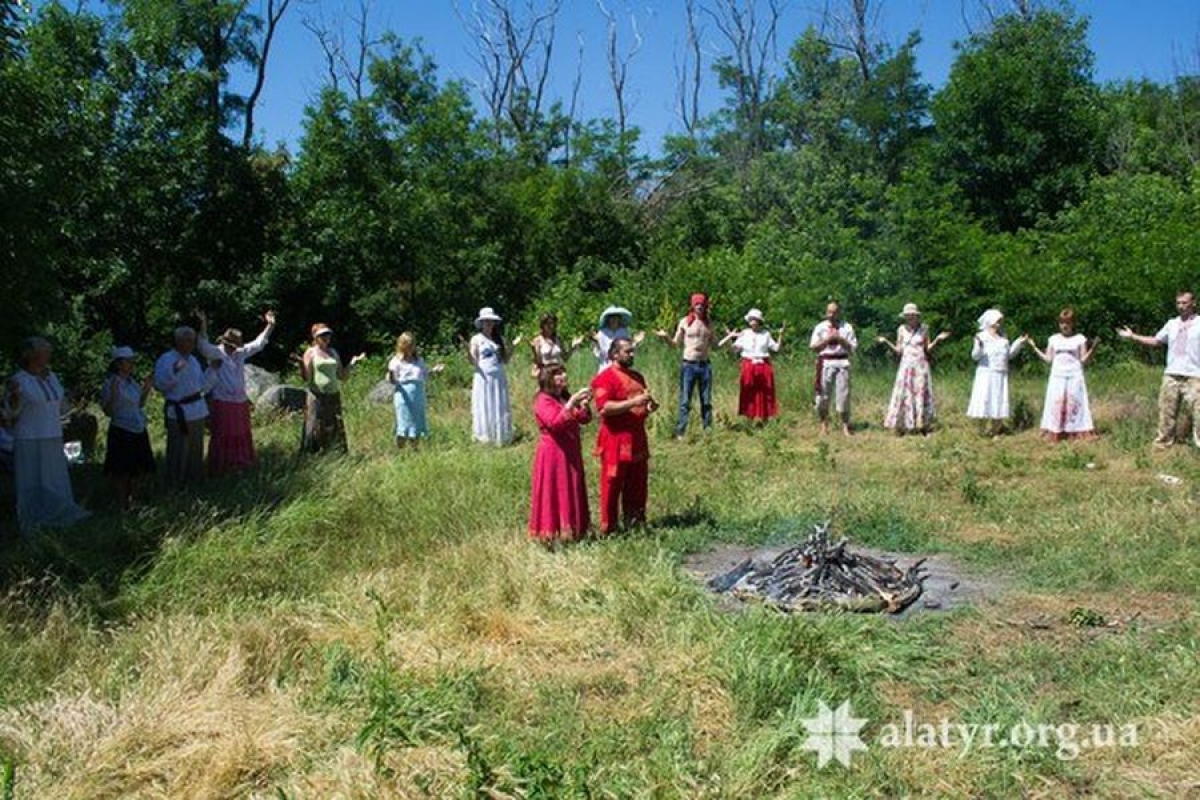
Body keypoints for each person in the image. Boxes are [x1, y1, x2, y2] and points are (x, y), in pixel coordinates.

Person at [3, 337, 89, 533]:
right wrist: (14, 398)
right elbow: (10, 413)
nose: (49, 356)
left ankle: (58, 513)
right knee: (32, 479)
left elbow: (61, 405)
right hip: (29, 436)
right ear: (33, 356)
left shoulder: (52, 378)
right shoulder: (19, 380)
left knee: (54, 477)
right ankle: (32, 518)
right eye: (45, 352)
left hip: (52, 433)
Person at [589, 337, 658, 534]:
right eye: (628, 351)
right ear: (614, 354)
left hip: (637, 436)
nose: (632, 355)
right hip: (615, 438)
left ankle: (635, 522)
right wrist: (634, 402)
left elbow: (641, 404)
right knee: (612, 483)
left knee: (638, 482)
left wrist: (648, 407)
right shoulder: (605, 378)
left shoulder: (637, 376)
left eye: (633, 351)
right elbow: (604, 408)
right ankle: (609, 528)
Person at [196, 309, 276, 475]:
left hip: (239, 402)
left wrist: (270, 325)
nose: (233, 349)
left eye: (235, 347)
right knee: (223, 433)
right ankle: (222, 465)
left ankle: (240, 463)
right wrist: (203, 324)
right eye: (231, 346)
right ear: (224, 343)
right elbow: (202, 345)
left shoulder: (240, 353)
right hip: (222, 401)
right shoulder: (216, 353)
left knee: (240, 433)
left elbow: (258, 344)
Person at [1117, 290, 1199, 448]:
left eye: (1184, 303)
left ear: (1193, 303)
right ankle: (1163, 443)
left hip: (1194, 375)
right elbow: (1156, 341)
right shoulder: (1172, 324)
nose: (1181, 306)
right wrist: (1133, 336)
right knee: (1166, 411)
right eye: (1178, 303)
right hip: (1172, 374)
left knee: (1198, 412)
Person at [528, 364, 593, 544]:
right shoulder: (543, 399)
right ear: (548, 379)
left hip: (571, 450)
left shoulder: (562, 397)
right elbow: (555, 423)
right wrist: (572, 403)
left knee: (571, 486)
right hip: (553, 453)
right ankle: (551, 532)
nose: (563, 376)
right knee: (555, 489)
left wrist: (584, 405)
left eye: (564, 372)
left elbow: (583, 419)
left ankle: (574, 528)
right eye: (558, 374)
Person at [877, 303, 951, 435]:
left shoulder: (924, 329)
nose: (910, 318)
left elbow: (927, 348)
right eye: (907, 315)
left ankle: (921, 424)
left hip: (920, 365)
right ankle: (905, 424)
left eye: (912, 315)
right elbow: (898, 350)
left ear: (916, 316)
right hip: (906, 366)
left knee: (920, 393)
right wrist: (886, 342)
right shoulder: (901, 329)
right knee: (905, 393)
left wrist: (938, 340)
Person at [154, 326, 215, 487]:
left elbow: (202, 386)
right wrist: (173, 370)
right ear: (178, 341)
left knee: (196, 449)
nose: (191, 344)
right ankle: (175, 484)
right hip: (178, 412)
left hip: (197, 411)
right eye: (187, 340)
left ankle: (194, 482)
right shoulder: (166, 359)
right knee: (177, 450)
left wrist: (213, 371)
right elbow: (159, 384)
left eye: (192, 341)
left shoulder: (193, 360)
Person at [1029, 309, 1098, 441]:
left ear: (1073, 323)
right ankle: (1056, 429)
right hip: (1057, 375)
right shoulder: (1053, 339)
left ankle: (1075, 430)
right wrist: (1034, 348)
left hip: (1075, 374)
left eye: (1067, 322)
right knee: (1056, 401)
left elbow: (1083, 360)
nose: (1064, 325)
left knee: (1075, 401)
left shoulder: (1079, 339)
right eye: (1062, 322)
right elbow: (1049, 359)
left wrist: (1093, 349)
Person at [100, 346, 156, 508]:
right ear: (118, 364)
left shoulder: (132, 383)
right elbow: (108, 411)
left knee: (138, 467)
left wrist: (146, 389)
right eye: (128, 361)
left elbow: (139, 404)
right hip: (122, 429)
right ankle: (121, 501)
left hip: (137, 426)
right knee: (121, 469)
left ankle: (133, 499)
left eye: (132, 361)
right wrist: (114, 395)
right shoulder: (110, 383)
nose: (132, 364)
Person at [297, 323, 366, 454]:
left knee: (334, 423)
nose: (326, 337)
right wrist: (301, 364)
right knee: (314, 424)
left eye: (327, 334)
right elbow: (306, 377)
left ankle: (336, 452)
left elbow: (342, 376)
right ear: (315, 337)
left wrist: (352, 363)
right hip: (317, 395)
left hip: (333, 394)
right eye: (322, 335)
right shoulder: (310, 352)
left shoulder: (333, 352)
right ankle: (312, 453)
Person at [656, 293, 717, 438]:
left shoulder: (709, 323)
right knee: (685, 401)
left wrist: (730, 338)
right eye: (697, 304)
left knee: (706, 401)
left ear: (705, 306)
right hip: (689, 364)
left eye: (702, 304)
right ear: (692, 305)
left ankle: (708, 431)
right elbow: (675, 344)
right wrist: (665, 337)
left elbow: (715, 345)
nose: (699, 307)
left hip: (704, 365)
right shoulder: (685, 322)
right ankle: (680, 432)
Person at [967, 309, 1031, 437]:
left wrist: (1019, 343)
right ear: (990, 321)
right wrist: (979, 346)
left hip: (1000, 374)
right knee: (984, 399)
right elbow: (975, 356)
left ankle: (995, 431)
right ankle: (982, 430)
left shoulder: (1003, 338)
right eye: (997, 321)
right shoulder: (981, 336)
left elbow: (1008, 355)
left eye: (1000, 321)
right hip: (986, 374)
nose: (999, 324)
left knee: (998, 400)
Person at [719, 308, 784, 423]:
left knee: (765, 391)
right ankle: (749, 418)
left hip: (763, 364)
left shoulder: (766, 334)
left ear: (759, 321)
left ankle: (765, 418)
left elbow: (776, 348)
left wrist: (780, 335)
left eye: (755, 319)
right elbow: (735, 349)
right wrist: (729, 338)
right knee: (748, 390)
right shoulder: (744, 333)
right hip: (748, 364)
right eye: (751, 319)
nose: (752, 321)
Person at [809, 301, 858, 436]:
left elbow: (853, 349)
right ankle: (823, 425)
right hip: (826, 362)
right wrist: (827, 339)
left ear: (839, 313)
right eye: (829, 312)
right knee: (823, 396)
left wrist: (841, 339)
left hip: (842, 362)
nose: (831, 315)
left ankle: (845, 426)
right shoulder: (820, 327)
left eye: (834, 312)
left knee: (843, 396)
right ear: (826, 313)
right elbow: (813, 347)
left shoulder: (846, 327)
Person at [387, 332, 443, 446]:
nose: (410, 348)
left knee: (416, 424)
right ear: (402, 345)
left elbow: (425, 375)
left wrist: (435, 371)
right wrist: (391, 375)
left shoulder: (418, 361)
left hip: (418, 395)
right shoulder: (395, 361)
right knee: (403, 423)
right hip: (403, 396)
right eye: (408, 345)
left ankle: (414, 449)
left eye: (412, 345)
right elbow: (392, 380)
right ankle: (400, 449)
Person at [469, 307, 513, 445]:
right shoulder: (476, 339)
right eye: (486, 321)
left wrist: (512, 347)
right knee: (484, 404)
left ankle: (501, 434)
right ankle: (485, 435)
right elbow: (473, 360)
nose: (489, 324)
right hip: (483, 377)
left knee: (498, 403)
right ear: (481, 323)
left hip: (498, 376)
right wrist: (468, 352)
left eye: (491, 321)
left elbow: (505, 360)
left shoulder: (498, 339)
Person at [526, 313, 584, 379]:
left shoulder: (558, 339)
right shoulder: (538, 340)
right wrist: (534, 349)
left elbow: (565, 357)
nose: (550, 326)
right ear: (542, 325)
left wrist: (574, 347)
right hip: (546, 373)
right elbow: (538, 361)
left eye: (552, 323)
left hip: (558, 372)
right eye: (547, 323)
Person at [592, 306, 644, 372]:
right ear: (608, 319)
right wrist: (597, 343)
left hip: (621, 367)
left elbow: (627, 349)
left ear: (619, 319)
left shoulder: (623, 331)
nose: (614, 320)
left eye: (616, 318)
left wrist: (635, 342)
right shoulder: (602, 333)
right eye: (612, 317)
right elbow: (600, 354)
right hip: (606, 367)